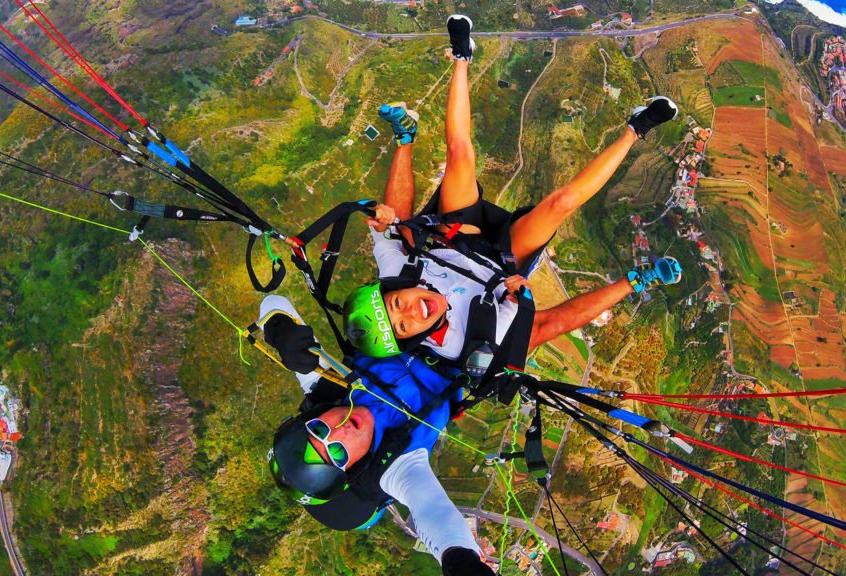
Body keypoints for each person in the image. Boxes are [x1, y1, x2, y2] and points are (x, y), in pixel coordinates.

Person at [343, 14, 683, 363]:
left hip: (456, 236)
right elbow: (524, 317)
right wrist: (516, 296)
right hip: (500, 264)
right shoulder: (463, 344)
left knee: (459, 156)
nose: (412, 313)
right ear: (414, 341)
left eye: (398, 304)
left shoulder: (394, 275)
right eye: (403, 327)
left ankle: (461, 56)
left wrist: (383, 219)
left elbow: (386, 230)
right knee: (560, 204)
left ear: (395, 290)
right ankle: (636, 129)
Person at [262, 293, 496, 576]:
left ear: (314, 417)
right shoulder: (395, 466)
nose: (340, 431)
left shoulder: (328, 392)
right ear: (356, 467)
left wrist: (281, 332)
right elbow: (433, 512)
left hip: (409, 319)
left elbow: (272, 303)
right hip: (462, 350)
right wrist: (461, 563)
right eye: (338, 454)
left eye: (320, 430)